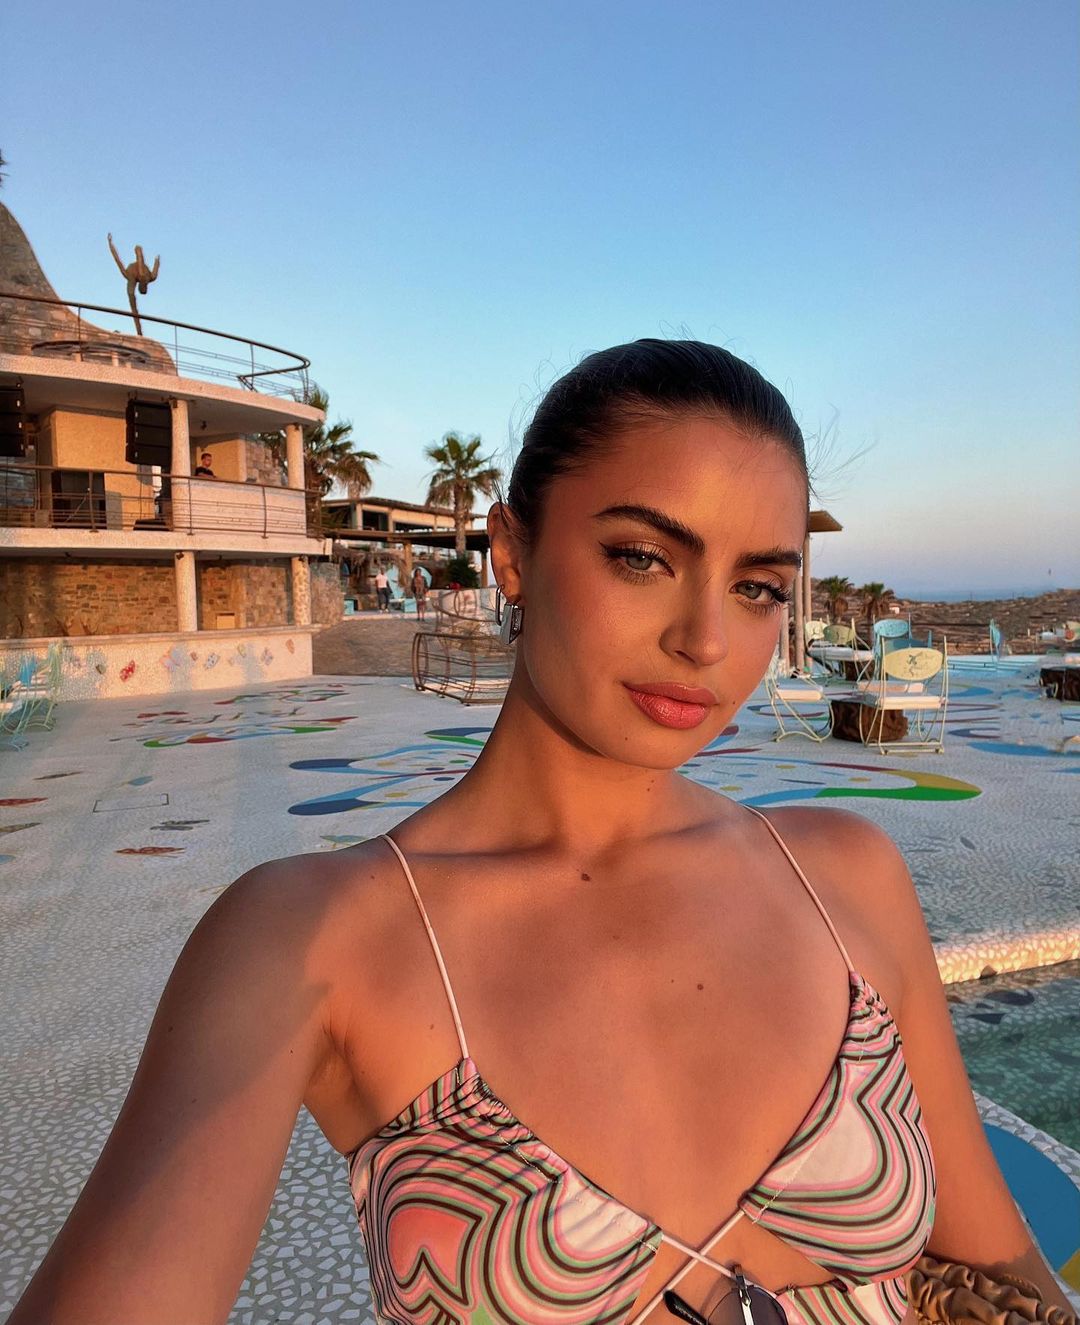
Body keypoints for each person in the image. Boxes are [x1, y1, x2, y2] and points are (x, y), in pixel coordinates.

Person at [10, 340, 1069, 1325]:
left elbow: (997, 1270)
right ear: (511, 555)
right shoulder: (313, 936)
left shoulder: (844, 874)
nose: (706, 639)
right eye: (642, 557)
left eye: (757, 588)